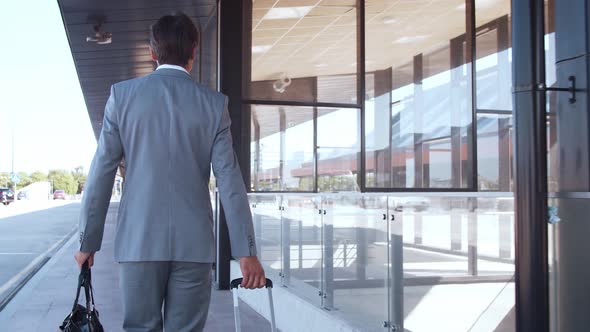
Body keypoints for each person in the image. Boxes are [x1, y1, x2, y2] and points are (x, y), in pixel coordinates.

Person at [74, 13, 265, 332]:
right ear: (194, 50)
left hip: (138, 242)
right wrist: (246, 252)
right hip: (194, 247)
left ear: (152, 51)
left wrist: (87, 242)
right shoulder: (214, 104)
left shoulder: (122, 97)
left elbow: (102, 173)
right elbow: (229, 181)